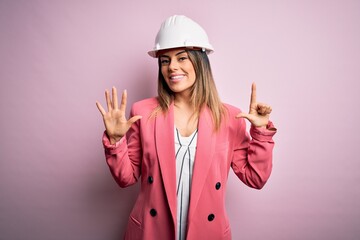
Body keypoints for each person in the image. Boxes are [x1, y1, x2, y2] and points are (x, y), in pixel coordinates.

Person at [96, 15, 276, 240]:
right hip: (151, 233)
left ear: (199, 61)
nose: (172, 67)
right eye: (164, 60)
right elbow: (126, 178)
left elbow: (256, 178)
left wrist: (261, 134)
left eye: (182, 58)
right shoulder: (142, 112)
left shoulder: (229, 117)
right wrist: (115, 141)